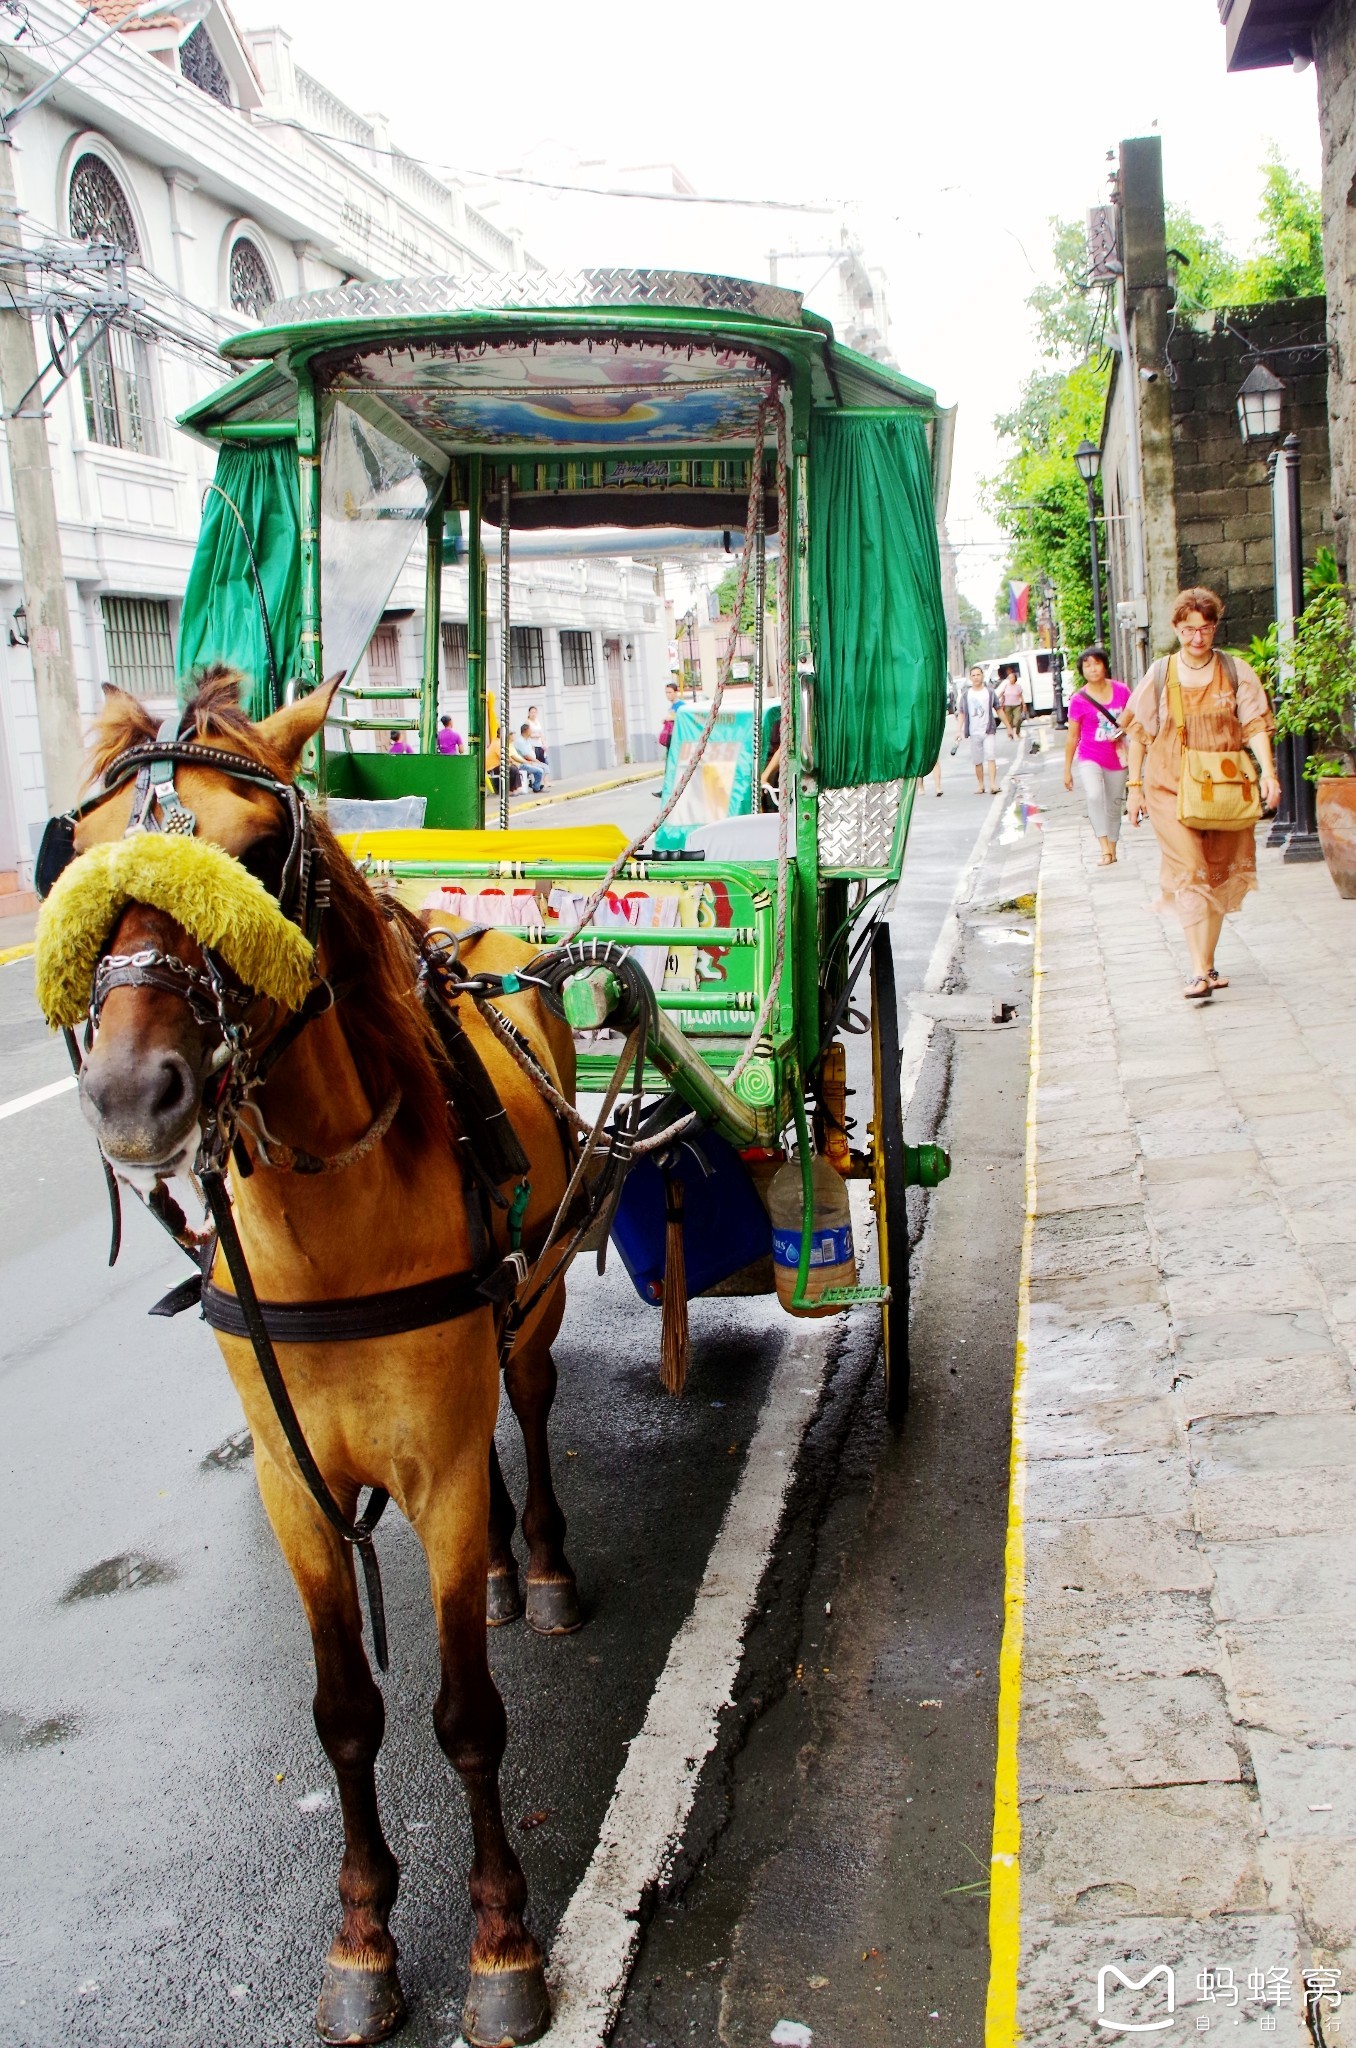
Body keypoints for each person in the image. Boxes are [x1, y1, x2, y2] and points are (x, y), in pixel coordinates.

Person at [1123, 587, 1281, 1000]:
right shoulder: (1161, 673)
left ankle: (1207, 964)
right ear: (1177, 628)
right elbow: (1138, 734)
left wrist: (1268, 773)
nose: (1198, 637)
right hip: (1168, 786)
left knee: (1216, 871)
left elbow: (1255, 726)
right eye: (1189, 629)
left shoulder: (1234, 670)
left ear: (1214, 628)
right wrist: (1134, 788)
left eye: (1206, 628)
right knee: (1191, 869)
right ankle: (1196, 971)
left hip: (1224, 786)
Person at [1063, 647, 1130, 866]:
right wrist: (1067, 770)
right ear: (1082, 670)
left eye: (1096, 663)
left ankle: (1112, 845)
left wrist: (1122, 731)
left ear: (1104, 664)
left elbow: (1134, 718)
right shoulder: (1079, 700)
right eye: (1087, 665)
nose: (1093, 669)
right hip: (1090, 756)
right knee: (1093, 795)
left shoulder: (1121, 691)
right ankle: (1103, 848)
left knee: (1114, 803)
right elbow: (1073, 736)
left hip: (1118, 756)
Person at [956, 663, 999, 795]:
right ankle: (981, 785)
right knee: (977, 760)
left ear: (982, 676)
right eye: (973, 675)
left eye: (978, 675)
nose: (976, 678)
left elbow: (998, 708)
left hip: (988, 729)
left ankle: (992, 784)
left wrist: (1008, 727)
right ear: (970, 677)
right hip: (974, 732)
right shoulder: (966, 694)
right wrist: (959, 730)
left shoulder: (990, 692)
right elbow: (962, 712)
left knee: (991, 756)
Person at [511, 723, 545, 794]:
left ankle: (536, 784)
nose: (513, 737)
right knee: (540, 770)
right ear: (526, 731)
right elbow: (520, 757)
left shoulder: (525, 741)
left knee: (543, 767)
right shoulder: (519, 742)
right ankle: (536, 787)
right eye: (512, 735)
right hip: (522, 763)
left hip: (525, 762)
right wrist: (530, 762)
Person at [997, 663, 1025, 740]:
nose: (1010, 679)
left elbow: (1020, 696)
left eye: (1012, 677)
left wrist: (1024, 704)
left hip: (1017, 705)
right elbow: (1002, 693)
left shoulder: (1018, 687)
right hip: (1007, 705)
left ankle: (1017, 733)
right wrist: (996, 700)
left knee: (1018, 718)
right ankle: (1010, 735)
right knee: (1009, 722)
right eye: (1009, 678)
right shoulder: (1006, 686)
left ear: (1015, 678)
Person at [524, 704, 549, 775]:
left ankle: (546, 781)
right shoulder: (527, 722)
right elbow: (528, 734)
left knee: (544, 762)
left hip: (539, 744)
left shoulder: (537, 721)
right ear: (529, 713)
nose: (533, 714)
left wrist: (544, 743)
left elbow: (541, 733)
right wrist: (536, 735)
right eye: (532, 712)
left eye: (535, 712)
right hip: (532, 745)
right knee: (535, 762)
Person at [658, 679, 680, 752]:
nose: (667, 695)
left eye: (670, 692)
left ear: (676, 692)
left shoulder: (681, 705)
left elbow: (682, 718)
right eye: (666, 692)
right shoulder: (671, 706)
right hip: (671, 735)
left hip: (677, 737)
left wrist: (670, 718)